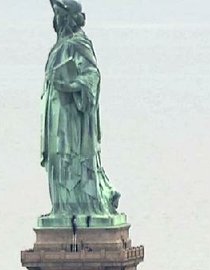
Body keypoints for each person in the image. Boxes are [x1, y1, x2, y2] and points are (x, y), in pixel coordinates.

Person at [40, 0, 120, 220]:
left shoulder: (79, 43)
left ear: (68, 18)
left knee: (70, 157)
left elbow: (92, 75)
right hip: (56, 111)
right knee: (58, 158)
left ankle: (80, 206)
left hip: (72, 115)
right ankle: (62, 207)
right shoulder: (60, 45)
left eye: (59, 15)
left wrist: (72, 85)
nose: (56, 20)